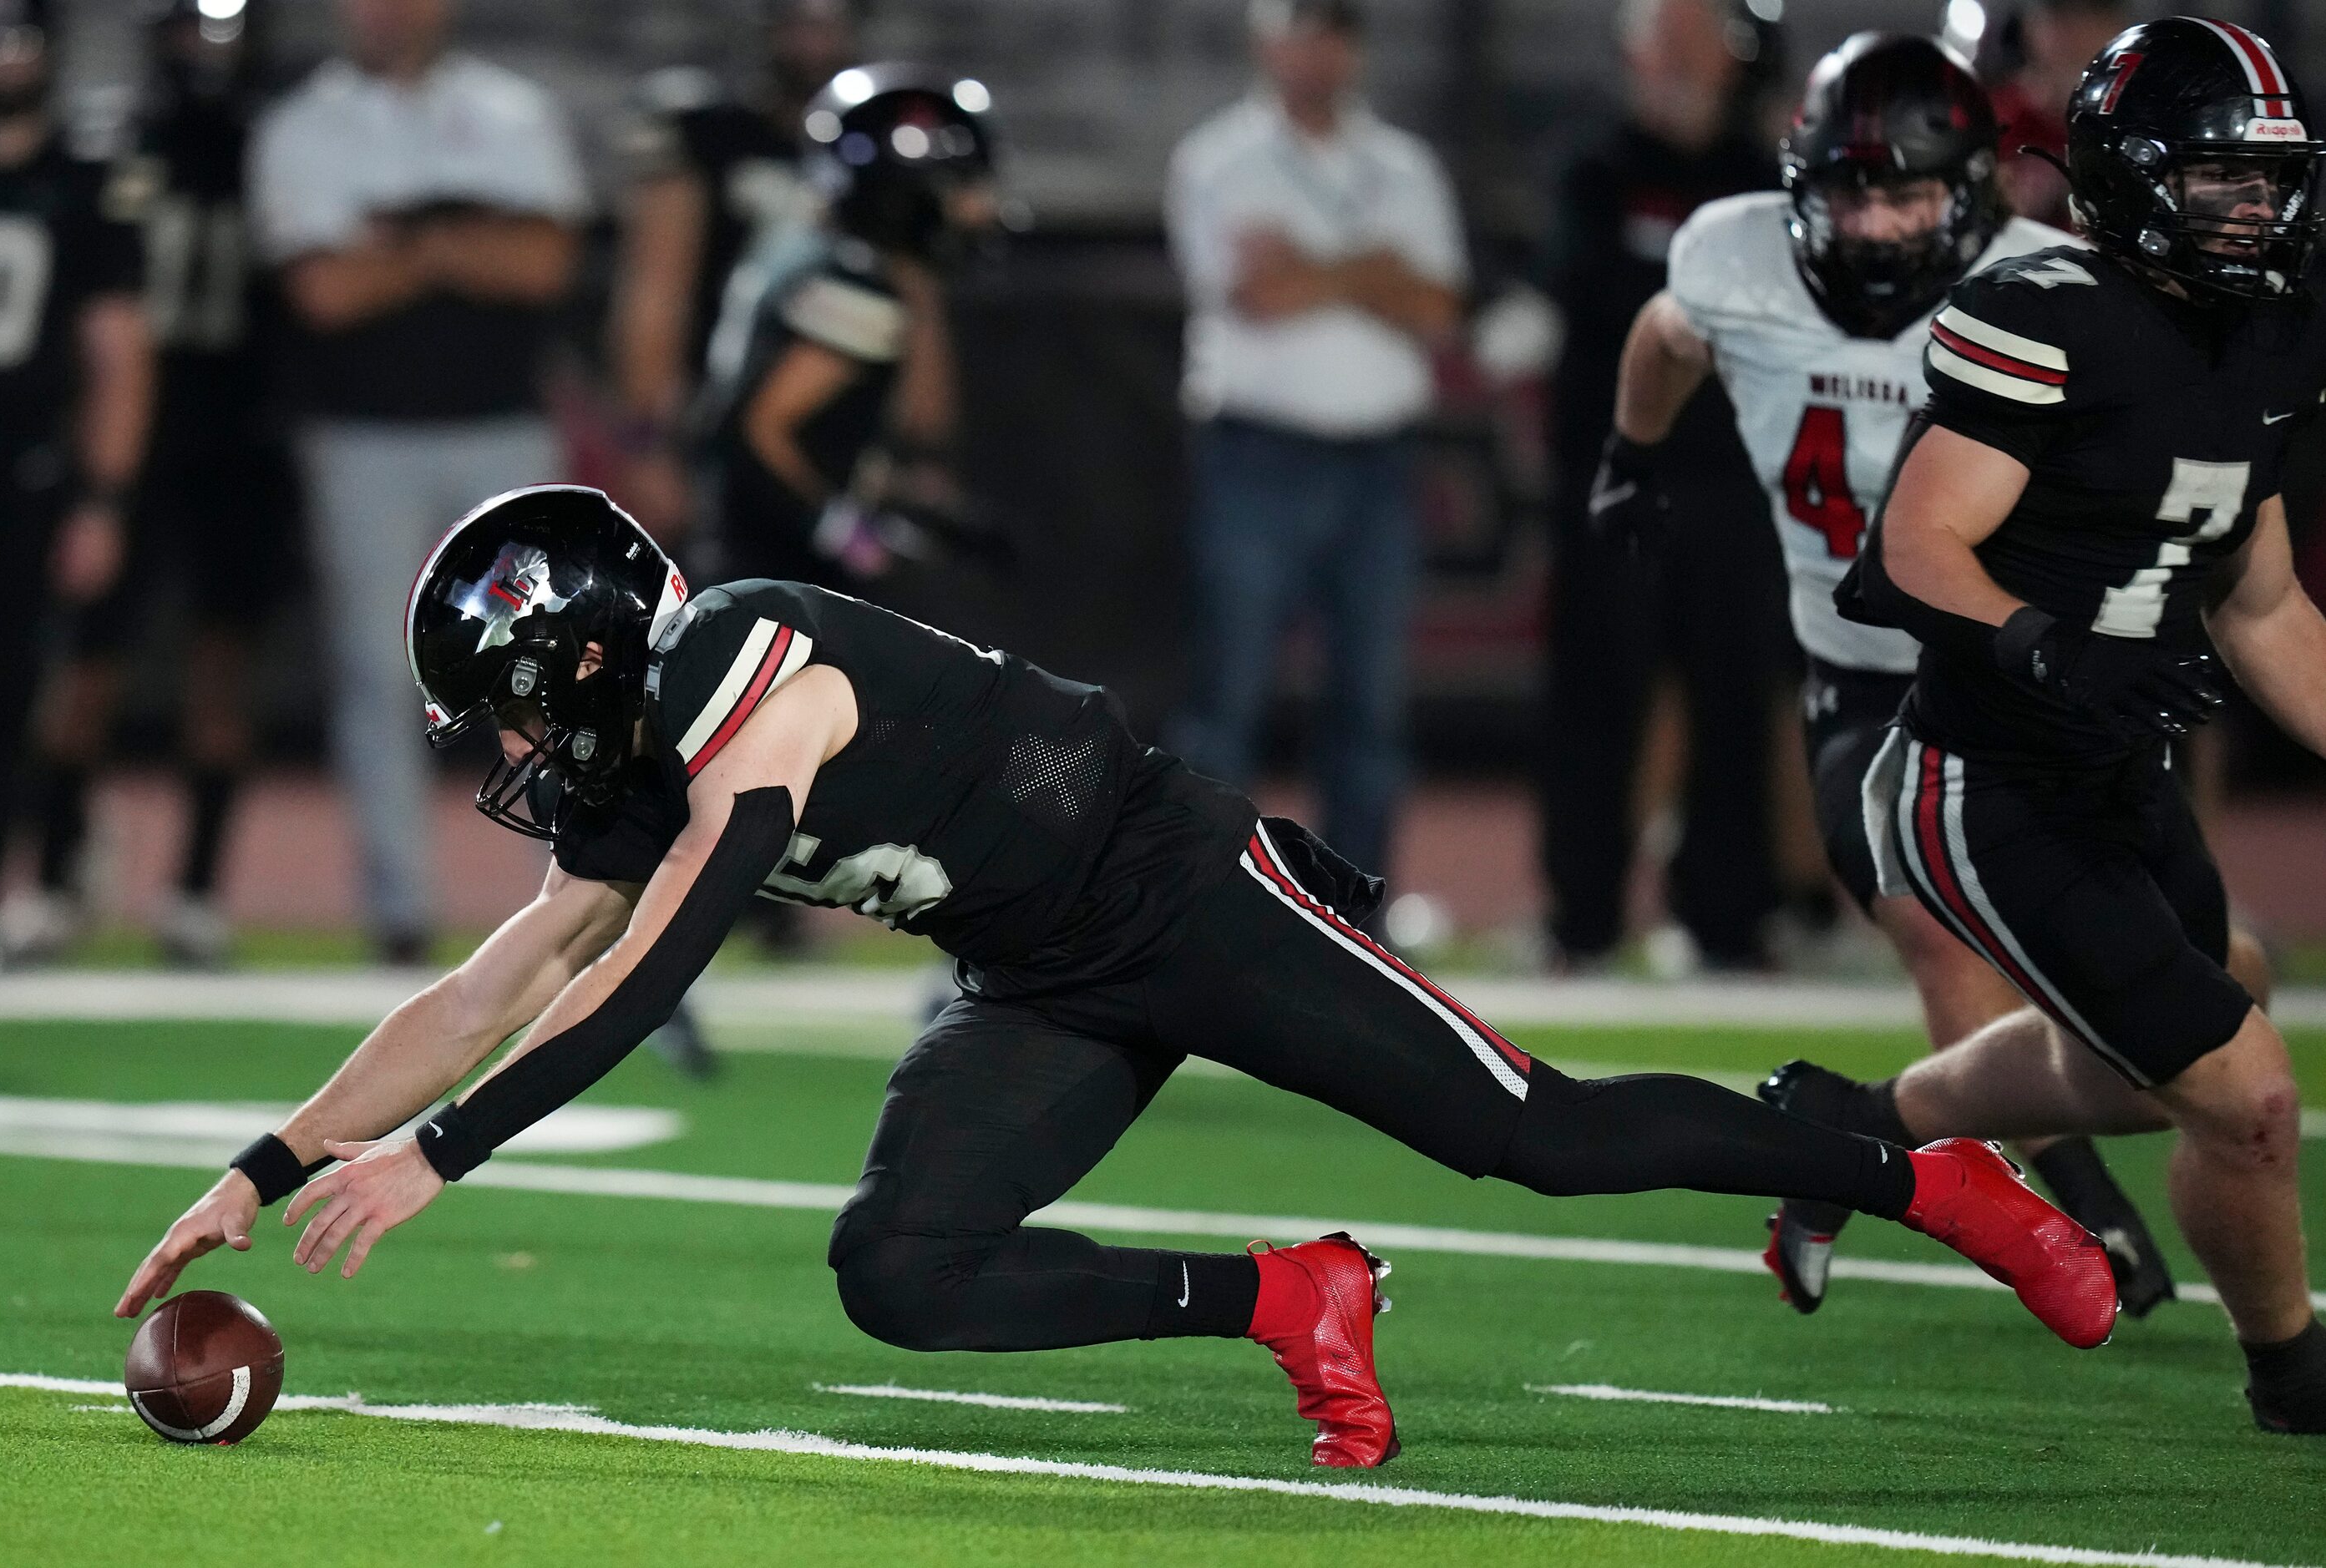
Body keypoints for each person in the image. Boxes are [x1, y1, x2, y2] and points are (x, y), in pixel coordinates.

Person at [116, 483, 2121, 1469]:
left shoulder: (735, 655)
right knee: (899, 1273)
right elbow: (481, 986)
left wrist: (442, 1161)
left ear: (585, 657)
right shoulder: (633, 754)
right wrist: (270, 1163)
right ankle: (1281, 1294)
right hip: (1035, 968)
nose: (518, 756)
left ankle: (1912, 1169)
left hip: (1180, 889)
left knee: (1536, 1137)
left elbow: (653, 964)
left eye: (515, 708)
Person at [1596, 34, 2172, 1317]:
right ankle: (2085, 1212)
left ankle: (1845, 1148)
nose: (1873, 222)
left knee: (2170, 989)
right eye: (1849, 192)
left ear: (1970, 187)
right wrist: (1633, 451)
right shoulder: (1735, 254)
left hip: (2030, 675)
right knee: (1934, 923)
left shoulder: (2054, 286)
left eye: (1905, 192)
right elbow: (1665, 331)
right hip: (1866, 681)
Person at [1827, 18, 2326, 1432]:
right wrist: (2044, 647)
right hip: (1982, 775)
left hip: (2119, 762)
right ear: (2127, 178)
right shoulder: (2048, 310)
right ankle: (2291, 1368)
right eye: (2223, 176)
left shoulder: (2268, 334)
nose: (2259, 209)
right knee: (2241, 1097)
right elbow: (1913, 547)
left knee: (2169, 1028)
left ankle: (1867, 1121)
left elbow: (2261, 598)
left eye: (2271, 179)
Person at [250, 0, 588, 964]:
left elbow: (547, 261)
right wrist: (461, 239)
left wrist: (394, 244)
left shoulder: (513, 112)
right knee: (375, 671)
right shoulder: (303, 125)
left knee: (546, 666)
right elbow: (324, 291)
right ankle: (398, 913)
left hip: (503, 429)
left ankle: (565, 900)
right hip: (362, 436)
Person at [0, 0, 296, 969]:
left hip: (237, 435)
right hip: (136, 438)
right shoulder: (111, 145)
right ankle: (51, 876)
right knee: (82, 671)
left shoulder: (279, 143)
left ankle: (197, 892)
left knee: (220, 670)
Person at [1162, 0, 1465, 886]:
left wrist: (1313, 268)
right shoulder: (1218, 159)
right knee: (1228, 696)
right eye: (1299, 27)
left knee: (1370, 704)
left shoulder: (1404, 164)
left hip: (1379, 458)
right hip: (1258, 453)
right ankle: (1198, 895)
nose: (1315, 50)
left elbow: (1441, 309)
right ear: (1266, 39)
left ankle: (1353, 909)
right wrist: (1376, 270)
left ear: (1354, 47)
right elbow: (1251, 293)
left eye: (1332, 30)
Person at [1541, 0, 1784, 971]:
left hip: (1734, 478)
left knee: (1736, 696)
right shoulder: (1593, 169)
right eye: (1663, 40)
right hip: (1617, 476)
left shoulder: (1764, 180)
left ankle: (1728, 919)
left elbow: (1780, 312)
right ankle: (1581, 918)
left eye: (1697, 40)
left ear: (1731, 59)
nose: (1678, 61)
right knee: (1597, 696)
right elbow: (1580, 289)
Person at [0, 0, 153, 968]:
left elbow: (118, 353)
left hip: (21, 471)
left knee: (8, 698)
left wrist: (102, 498)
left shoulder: (85, 182)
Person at [715, 65, 1002, 594]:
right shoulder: (854, 289)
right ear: (907, 188)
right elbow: (758, 429)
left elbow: (829, 436)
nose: (980, 209)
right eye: (963, 186)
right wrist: (838, 528)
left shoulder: (819, 260)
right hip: (775, 576)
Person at [609, 0, 855, 568]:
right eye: (799, 21)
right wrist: (646, 443)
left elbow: (915, 300)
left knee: (848, 635)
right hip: (721, 431)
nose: (813, 42)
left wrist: (926, 450)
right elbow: (655, 290)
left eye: (829, 21)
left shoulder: (872, 144)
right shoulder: (710, 133)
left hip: (842, 440)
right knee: (726, 624)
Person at [1986, 0, 2126, 230]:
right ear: (2030, 26)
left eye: (2088, 18)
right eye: (2060, 17)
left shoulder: (2138, 121)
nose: (2074, 34)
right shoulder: (1993, 117)